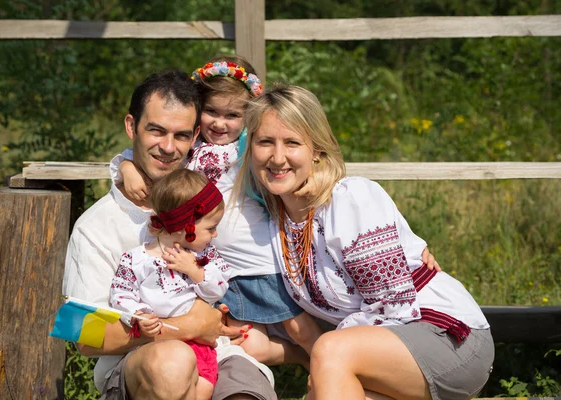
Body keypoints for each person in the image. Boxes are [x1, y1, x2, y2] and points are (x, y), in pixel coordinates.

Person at [233, 84, 495, 400]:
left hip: (444, 335)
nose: (277, 157)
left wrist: (325, 356)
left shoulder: (349, 199)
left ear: (316, 149)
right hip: (381, 354)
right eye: (265, 142)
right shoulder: (276, 221)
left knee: (329, 354)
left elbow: (392, 305)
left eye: (292, 142)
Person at [63, 68, 277, 400]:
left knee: (244, 393)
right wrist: (190, 326)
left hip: (219, 352)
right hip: (137, 362)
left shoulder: (211, 195)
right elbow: (82, 335)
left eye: (180, 136)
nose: (167, 147)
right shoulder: (96, 226)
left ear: (195, 138)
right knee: (172, 362)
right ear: (131, 126)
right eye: (156, 131)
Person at [113, 55, 323, 369]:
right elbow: (137, 155)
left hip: (260, 263)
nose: (220, 123)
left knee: (300, 328)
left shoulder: (246, 148)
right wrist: (127, 168)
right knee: (245, 342)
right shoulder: (189, 149)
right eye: (211, 111)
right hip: (218, 269)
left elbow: (290, 161)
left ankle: (327, 367)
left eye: (233, 115)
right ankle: (302, 362)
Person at [110, 169, 230, 400]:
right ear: (187, 228)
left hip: (200, 345)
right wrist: (139, 315)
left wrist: (195, 271)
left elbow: (219, 289)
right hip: (157, 346)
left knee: (202, 390)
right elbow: (121, 294)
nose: (215, 235)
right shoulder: (136, 260)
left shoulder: (205, 257)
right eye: (211, 228)